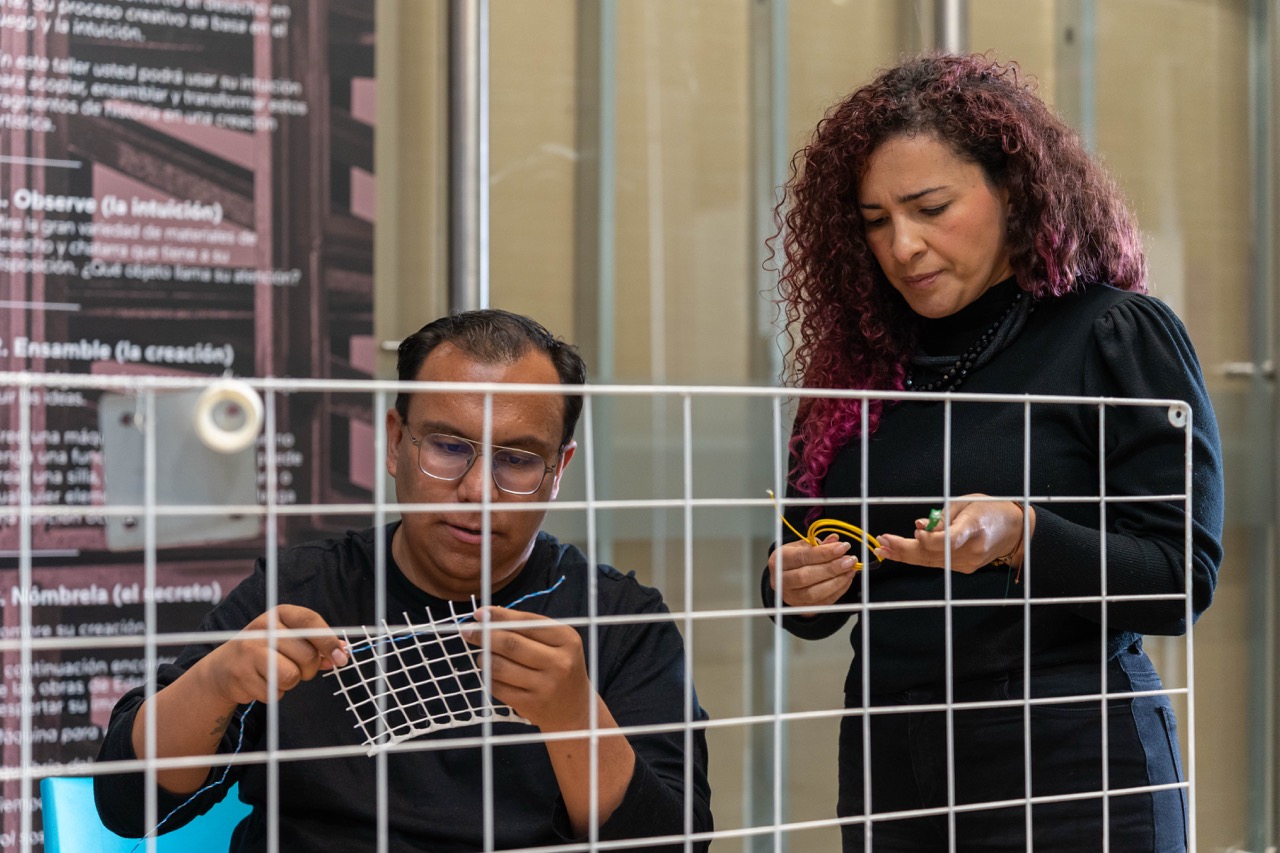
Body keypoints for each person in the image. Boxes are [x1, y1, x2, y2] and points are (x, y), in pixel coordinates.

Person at [762, 53, 1223, 852]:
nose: (903, 245)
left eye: (930, 207)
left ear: (1013, 190)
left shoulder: (1111, 333)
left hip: (1072, 757)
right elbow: (809, 580)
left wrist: (1023, 533)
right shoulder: (854, 371)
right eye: (876, 221)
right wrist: (788, 582)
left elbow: (1181, 578)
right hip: (890, 758)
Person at [95, 309, 713, 851]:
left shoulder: (619, 618)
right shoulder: (302, 590)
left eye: (518, 460)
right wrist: (215, 682)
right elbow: (125, 808)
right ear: (395, 442)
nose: (478, 492)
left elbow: (676, 842)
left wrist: (574, 715)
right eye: (448, 447)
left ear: (558, 471)